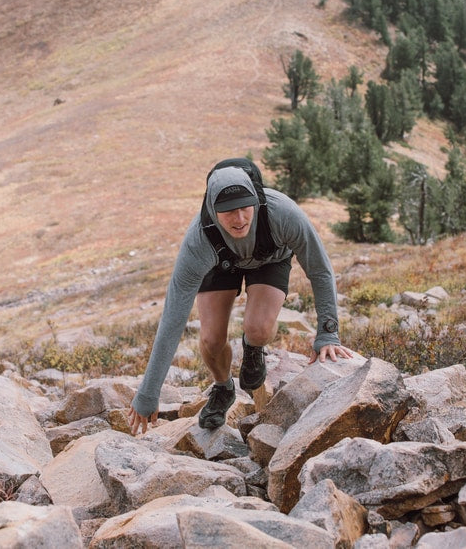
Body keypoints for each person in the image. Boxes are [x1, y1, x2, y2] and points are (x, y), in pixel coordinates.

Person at [127, 159, 357, 434]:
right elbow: (173, 317)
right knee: (211, 339)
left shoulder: (282, 212)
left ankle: (253, 349)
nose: (239, 220)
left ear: (256, 199)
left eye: (245, 208)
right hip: (220, 263)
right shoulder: (200, 239)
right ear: (212, 210)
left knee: (258, 329)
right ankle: (223, 388)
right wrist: (148, 393)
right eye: (228, 212)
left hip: (270, 259)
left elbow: (320, 269)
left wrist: (328, 333)